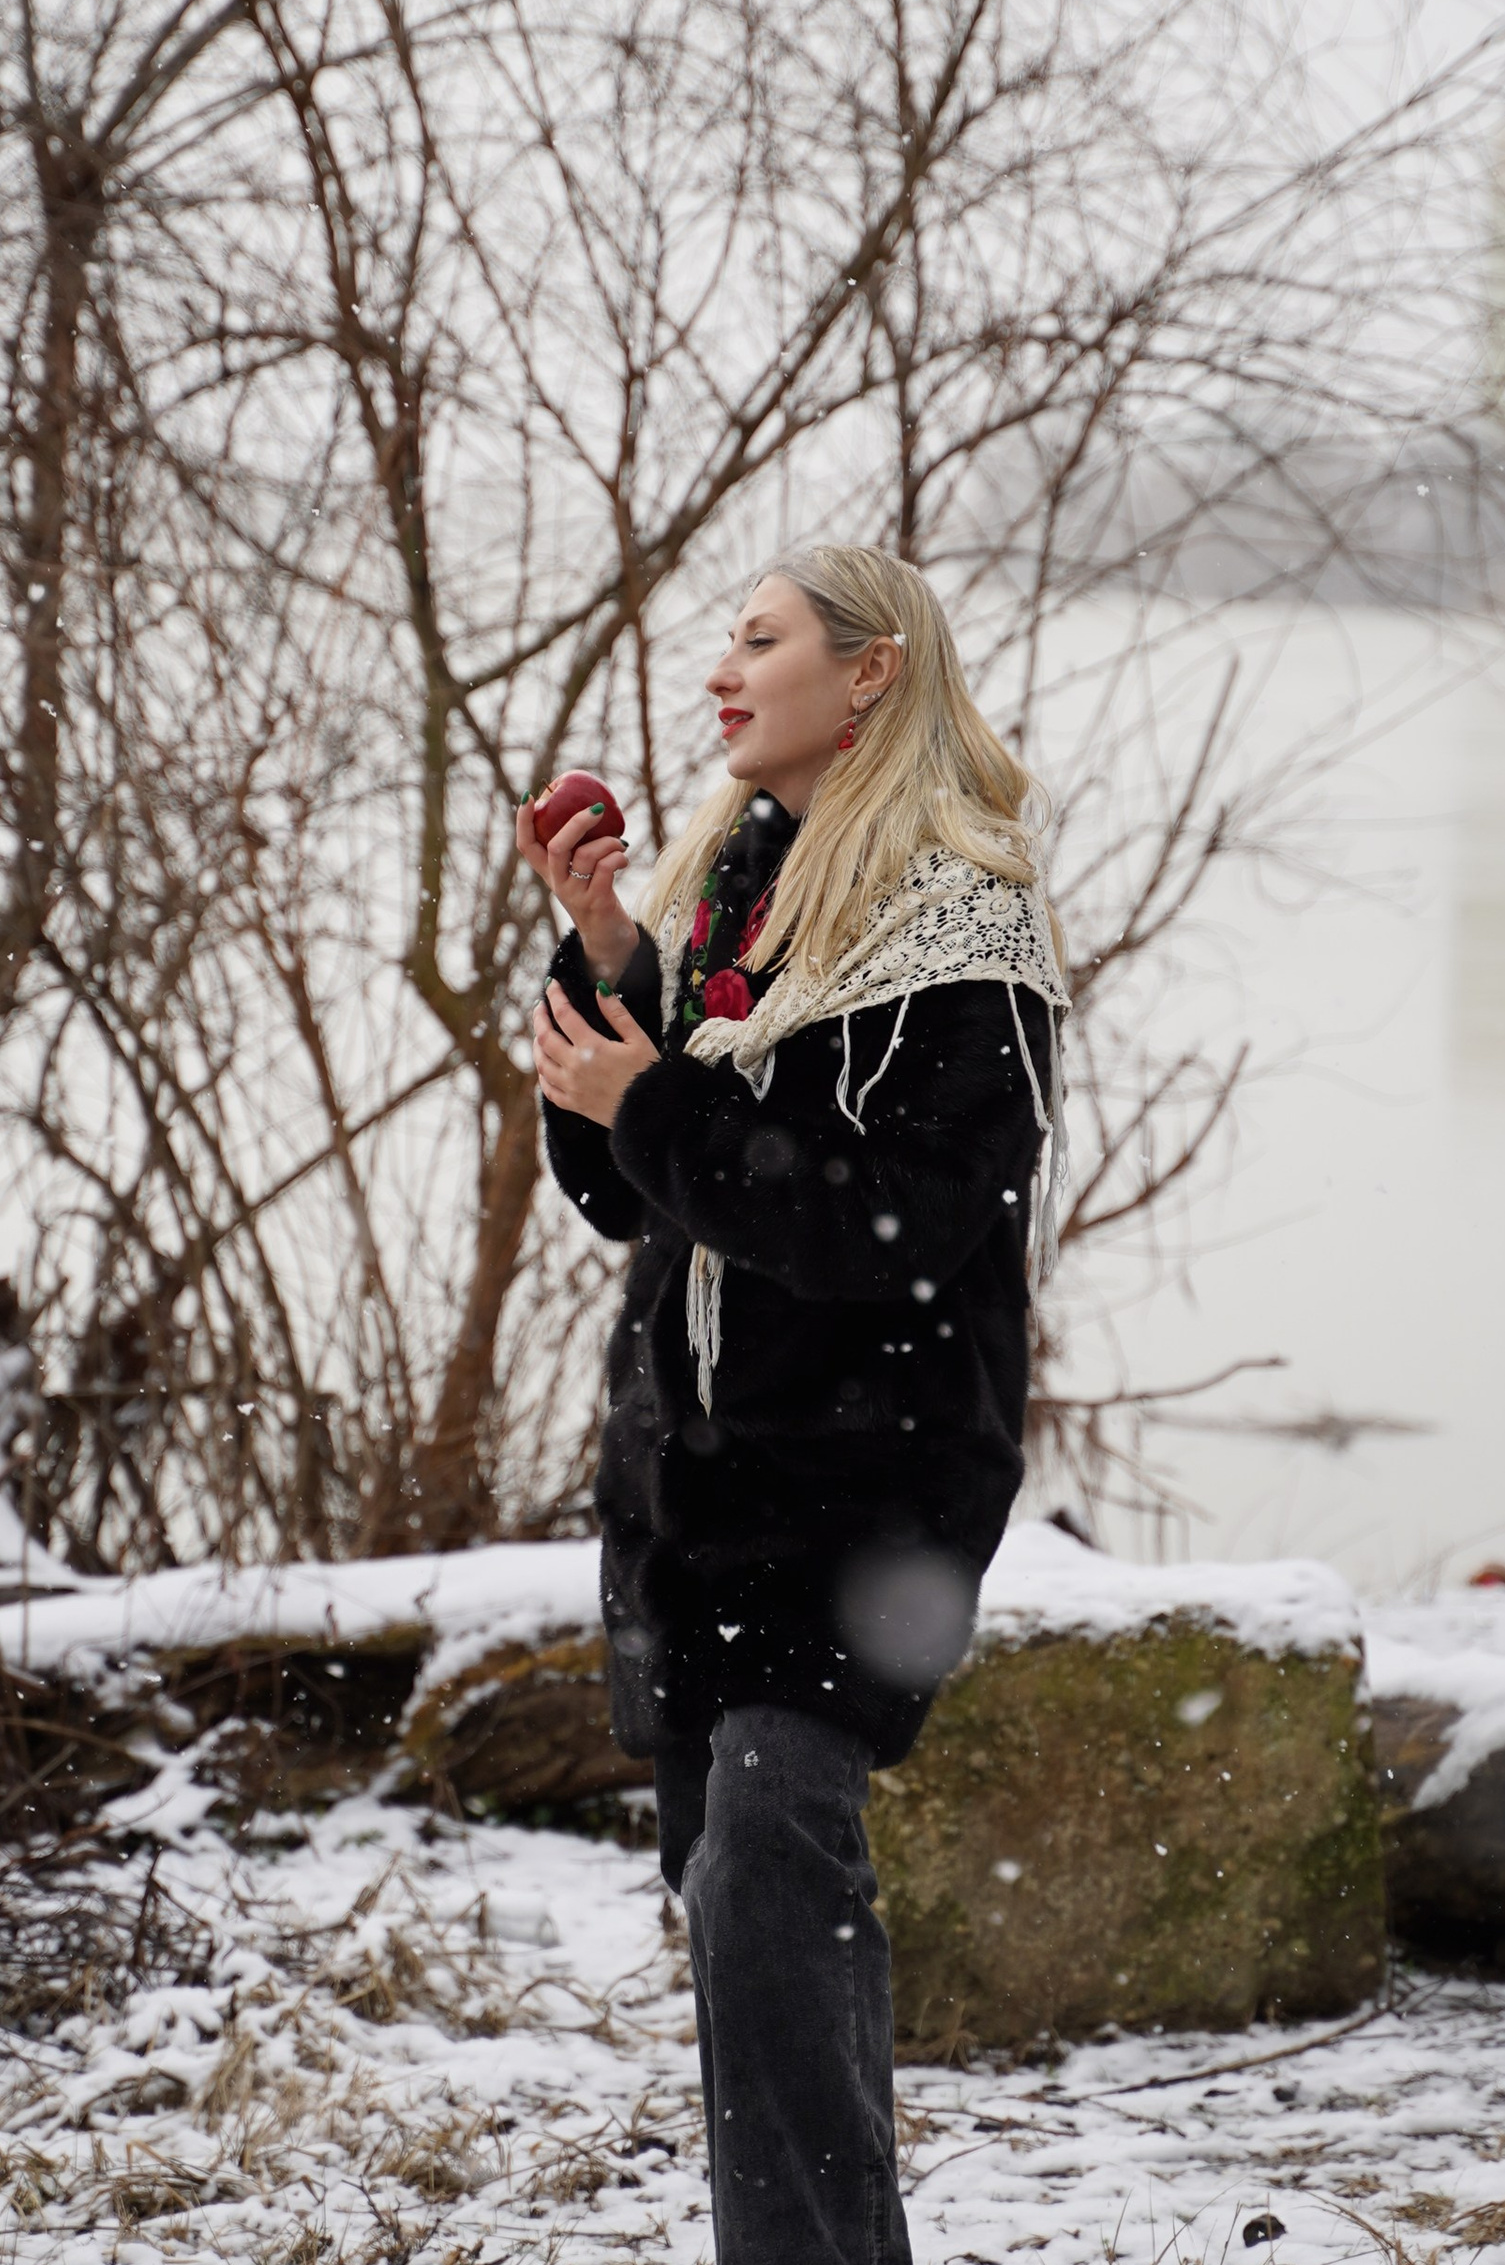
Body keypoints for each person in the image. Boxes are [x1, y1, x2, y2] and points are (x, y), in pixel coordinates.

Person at [520, 544, 1069, 2265]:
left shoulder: (962, 926)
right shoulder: (734, 892)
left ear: (873, 673)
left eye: (760, 642)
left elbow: (892, 1226)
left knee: (765, 1855)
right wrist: (611, 955)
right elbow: (630, 1192)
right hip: (699, 1485)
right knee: (752, 1913)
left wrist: (659, 1102)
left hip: (871, 1489)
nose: (721, 674)